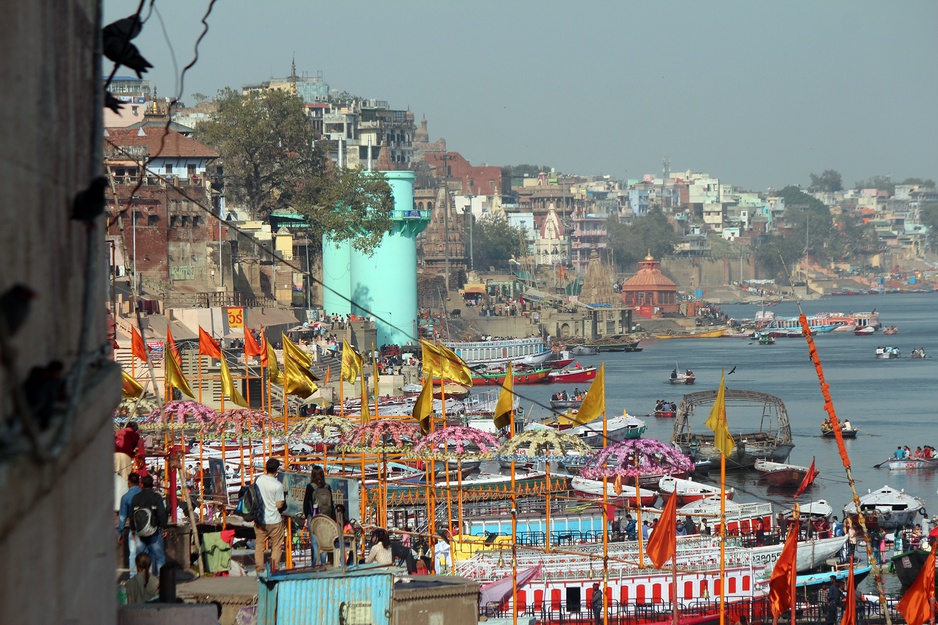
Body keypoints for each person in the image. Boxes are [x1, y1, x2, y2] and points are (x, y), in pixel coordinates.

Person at [129, 474, 167, 576]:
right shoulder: (156, 497)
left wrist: (133, 530)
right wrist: (164, 528)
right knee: (159, 557)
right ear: (152, 484)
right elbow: (162, 514)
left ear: (141, 484)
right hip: (154, 532)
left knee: (140, 558)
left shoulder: (135, 498)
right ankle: (160, 582)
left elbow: (131, 516)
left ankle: (141, 580)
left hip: (140, 533)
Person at [254, 458, 286, 574]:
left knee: (259, 546)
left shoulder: (258, 480)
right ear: (277, 470)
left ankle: (259, 569)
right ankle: (273, 569)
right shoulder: (277, 485)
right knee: (276, 546)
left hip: (260, 518)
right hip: (274, 519)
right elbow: (278, 504)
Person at [303, 465, 334, 566]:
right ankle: (323, 564)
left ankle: (314, 564)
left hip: (313, 516)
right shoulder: (327, 487)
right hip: (325, 516)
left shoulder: (310, 487)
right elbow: (331, 504)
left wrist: (307, 515)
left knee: (315, 542)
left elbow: (306, 503)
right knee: (323, 541)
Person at [117, 472, 143, 576]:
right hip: (147, 528)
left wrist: (120, 532)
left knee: (133, 554)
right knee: (144, 553)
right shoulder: (143, 494)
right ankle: (144, 576)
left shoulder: (126, 497)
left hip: (134, 529)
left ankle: (133, 577)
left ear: (129, 482)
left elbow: (122, 517)